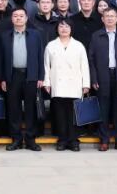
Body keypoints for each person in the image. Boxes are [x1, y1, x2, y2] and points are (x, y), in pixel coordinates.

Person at [88, 7, 117, 151]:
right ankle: (104, 140)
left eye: (112, 16)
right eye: (107, 16)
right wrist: (93, 78)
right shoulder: (96, 36)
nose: (109, 18)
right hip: (102, 77)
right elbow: (91, 59)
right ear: (102, 19)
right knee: (103, 110)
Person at [0, 8, 46, 151]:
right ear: (12, 19)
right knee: (14, 109)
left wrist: (41, 76)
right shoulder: (5, 36)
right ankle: (16, 139)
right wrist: (2, 78)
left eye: (21, 16)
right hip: (12, 75)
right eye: (15, 16)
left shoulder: (35, 35)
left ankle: (31, 139)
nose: (18, 18)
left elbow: (41, 56)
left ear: (26, 18)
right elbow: (1, 59)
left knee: (31, 108)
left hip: (31, 75)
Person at [43, 20, 90, 152]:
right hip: (57, 84)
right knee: (60, 114)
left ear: (71, 29)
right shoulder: (51, 45)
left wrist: (86, 83)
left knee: (73, 114)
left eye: (67, 26)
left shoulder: (78, 45)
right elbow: (46, 66)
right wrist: (47, 82)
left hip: (74, 84)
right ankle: (62, 140)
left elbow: (84, 65)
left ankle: (73, 140)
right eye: (61, 26)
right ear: (57, 29)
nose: (64, 29)